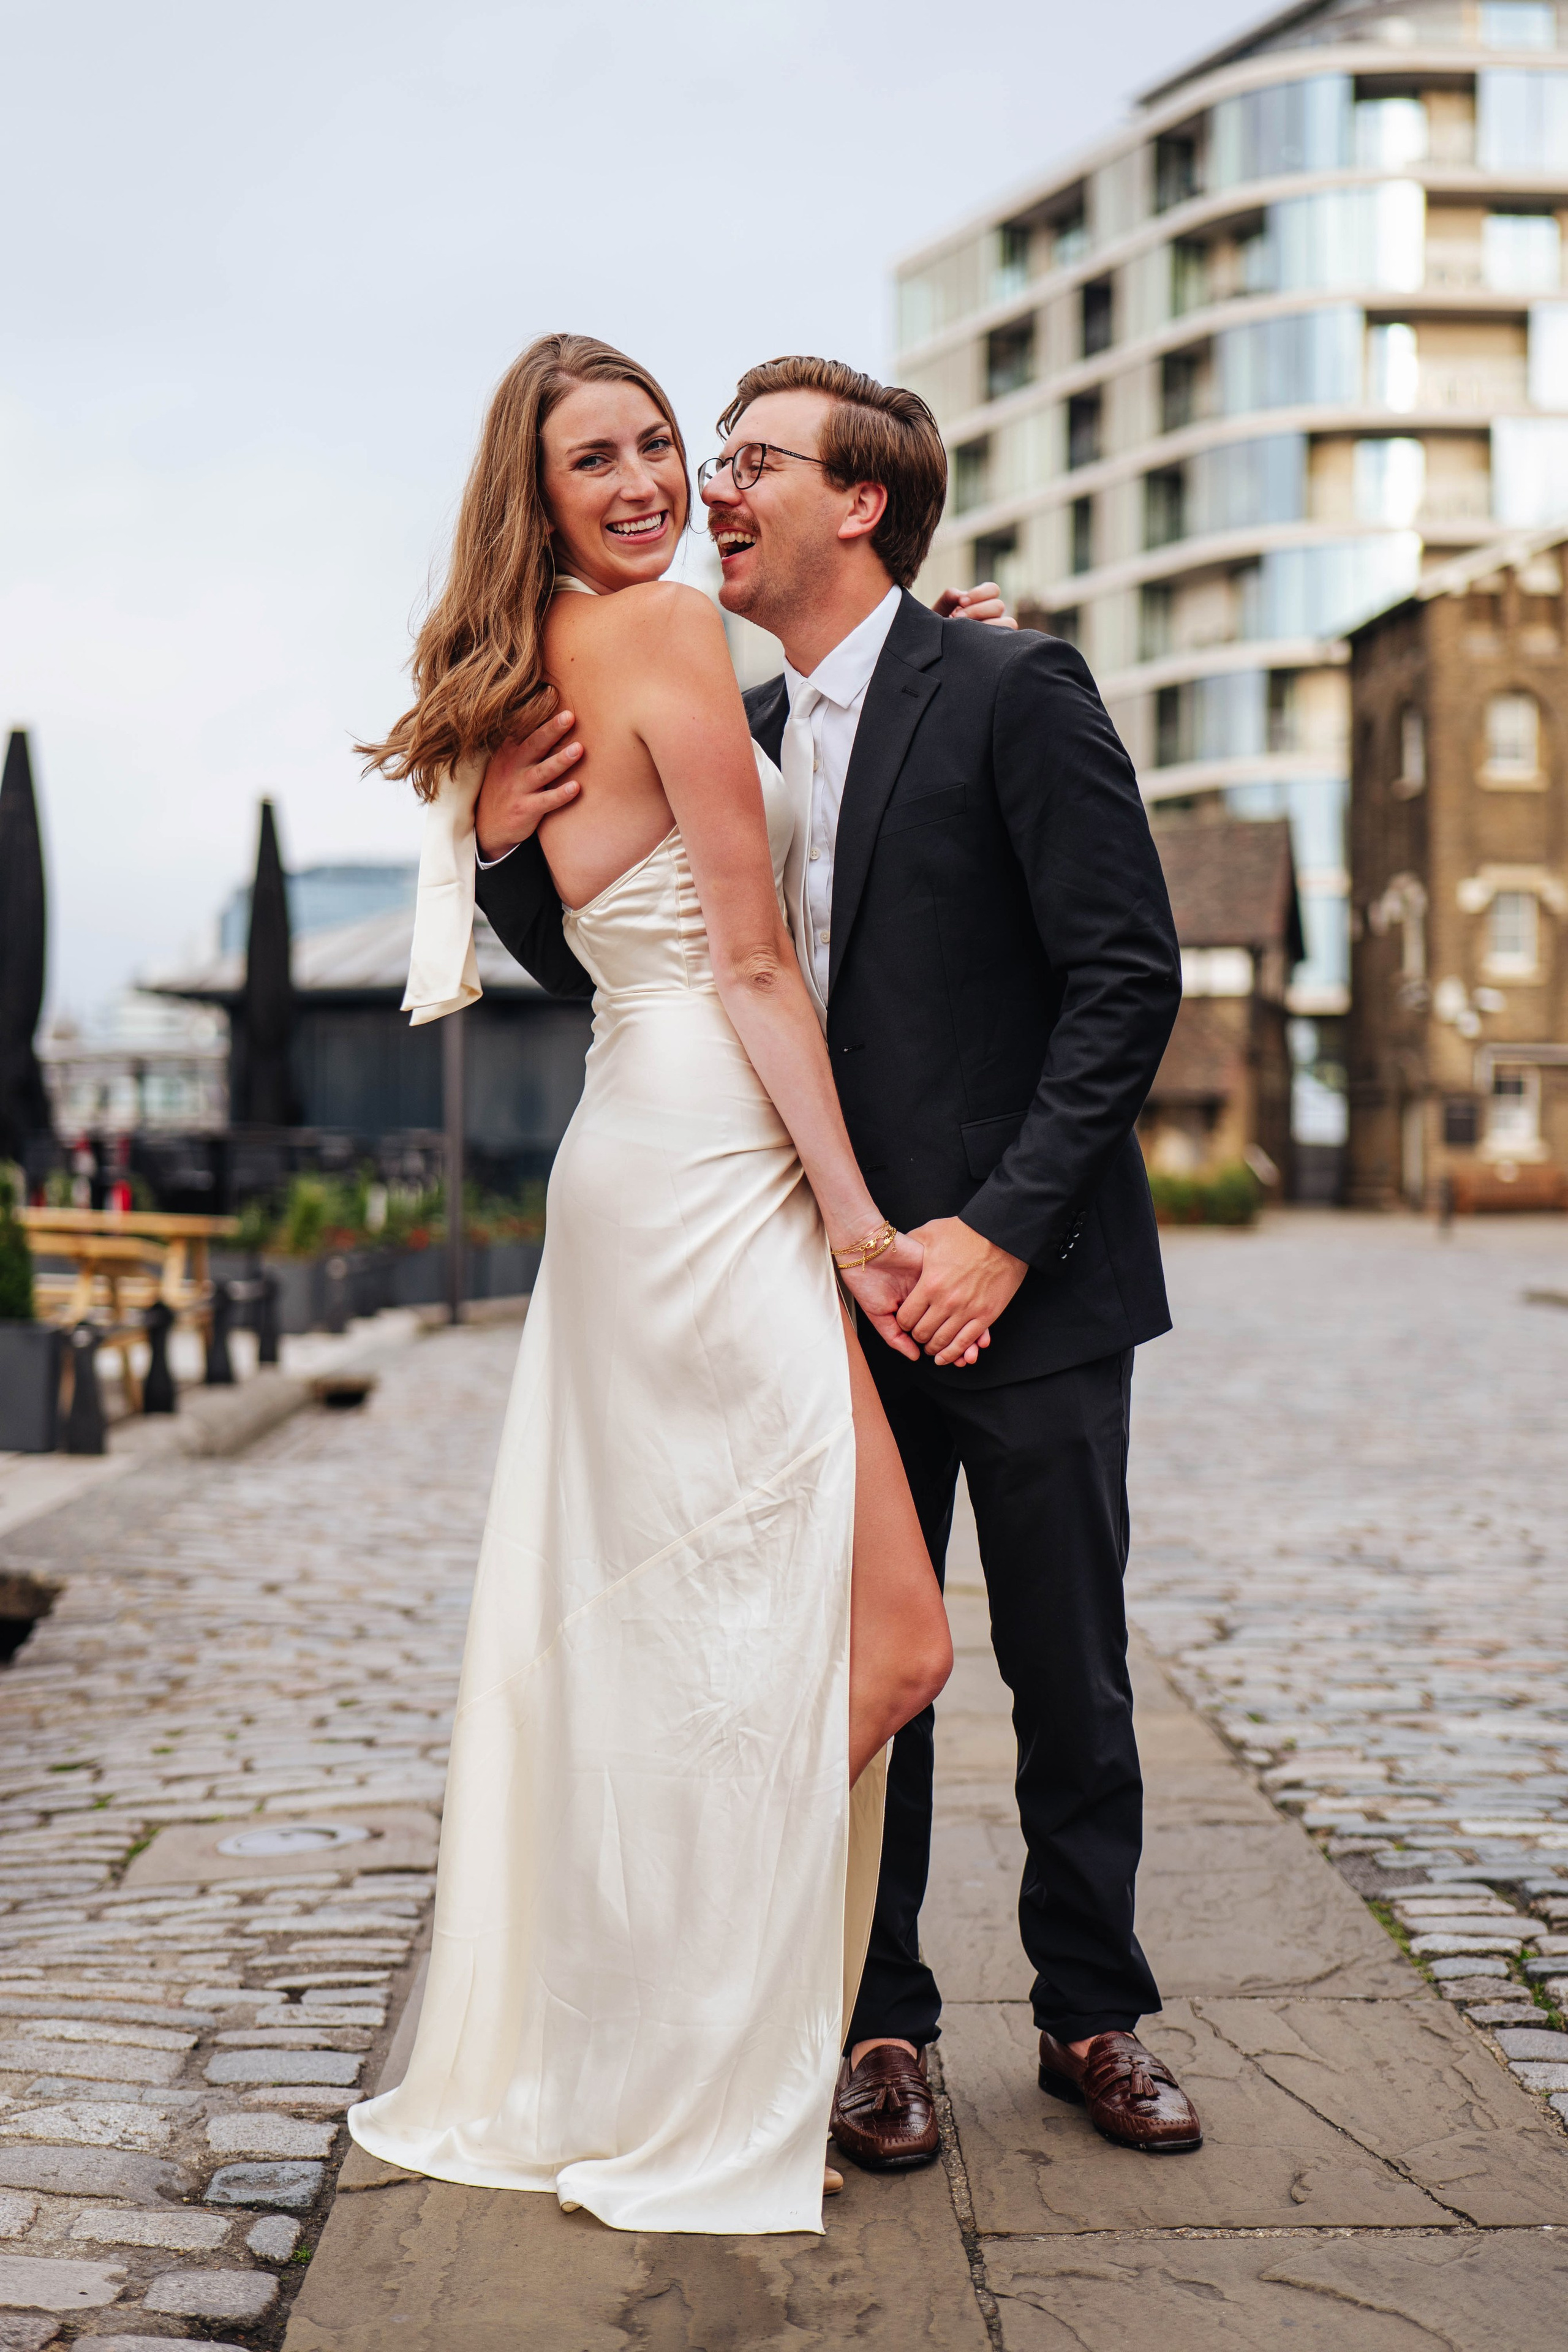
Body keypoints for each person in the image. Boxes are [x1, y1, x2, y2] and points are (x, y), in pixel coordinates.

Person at [478, 354, 1204, 2168]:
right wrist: (503, 855)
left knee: (1067, 1661)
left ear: (859, 502)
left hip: (1013, 1281)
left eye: (750, 464)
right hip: (804, 1261)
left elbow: (1127, 981)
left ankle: (1094, 2013)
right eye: (701, 461)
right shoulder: (719, 703)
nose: (710, 491)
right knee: (847, 1649)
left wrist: (998, 1238)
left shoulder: (1014, 681)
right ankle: (879, 2024)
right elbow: (640, 973)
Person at [346, 333, 1012, 2237]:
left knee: (769, 1633)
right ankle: (686, 2040)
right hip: (718, 1171)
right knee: (877, 1643)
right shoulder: (651, 642)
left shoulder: (532, 665)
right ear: (534, 496)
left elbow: (575, 906)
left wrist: (946, 641)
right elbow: (748, 967)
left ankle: (652, 2019)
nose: (650, 484)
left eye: (665, 447)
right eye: (600, 461)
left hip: (654, 1156)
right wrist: (867, 1225)